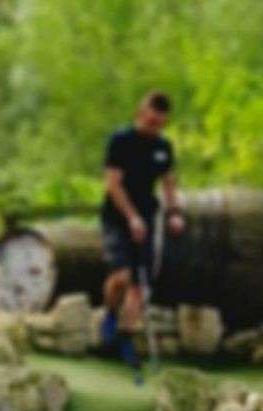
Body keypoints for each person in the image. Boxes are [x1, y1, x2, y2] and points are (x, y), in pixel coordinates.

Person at [98, 90, 185, 380]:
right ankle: (110, 316)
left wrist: (174, 213)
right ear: (140, 113)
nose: (154, 126)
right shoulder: (120, 141)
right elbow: (112, 184)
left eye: (159, 123)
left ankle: (124, 337)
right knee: (121, 277)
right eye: (150, 120)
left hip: (147, 220)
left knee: (140, 286)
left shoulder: (163, 148)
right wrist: (131, 217)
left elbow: (169, 183)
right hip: (117, 217)